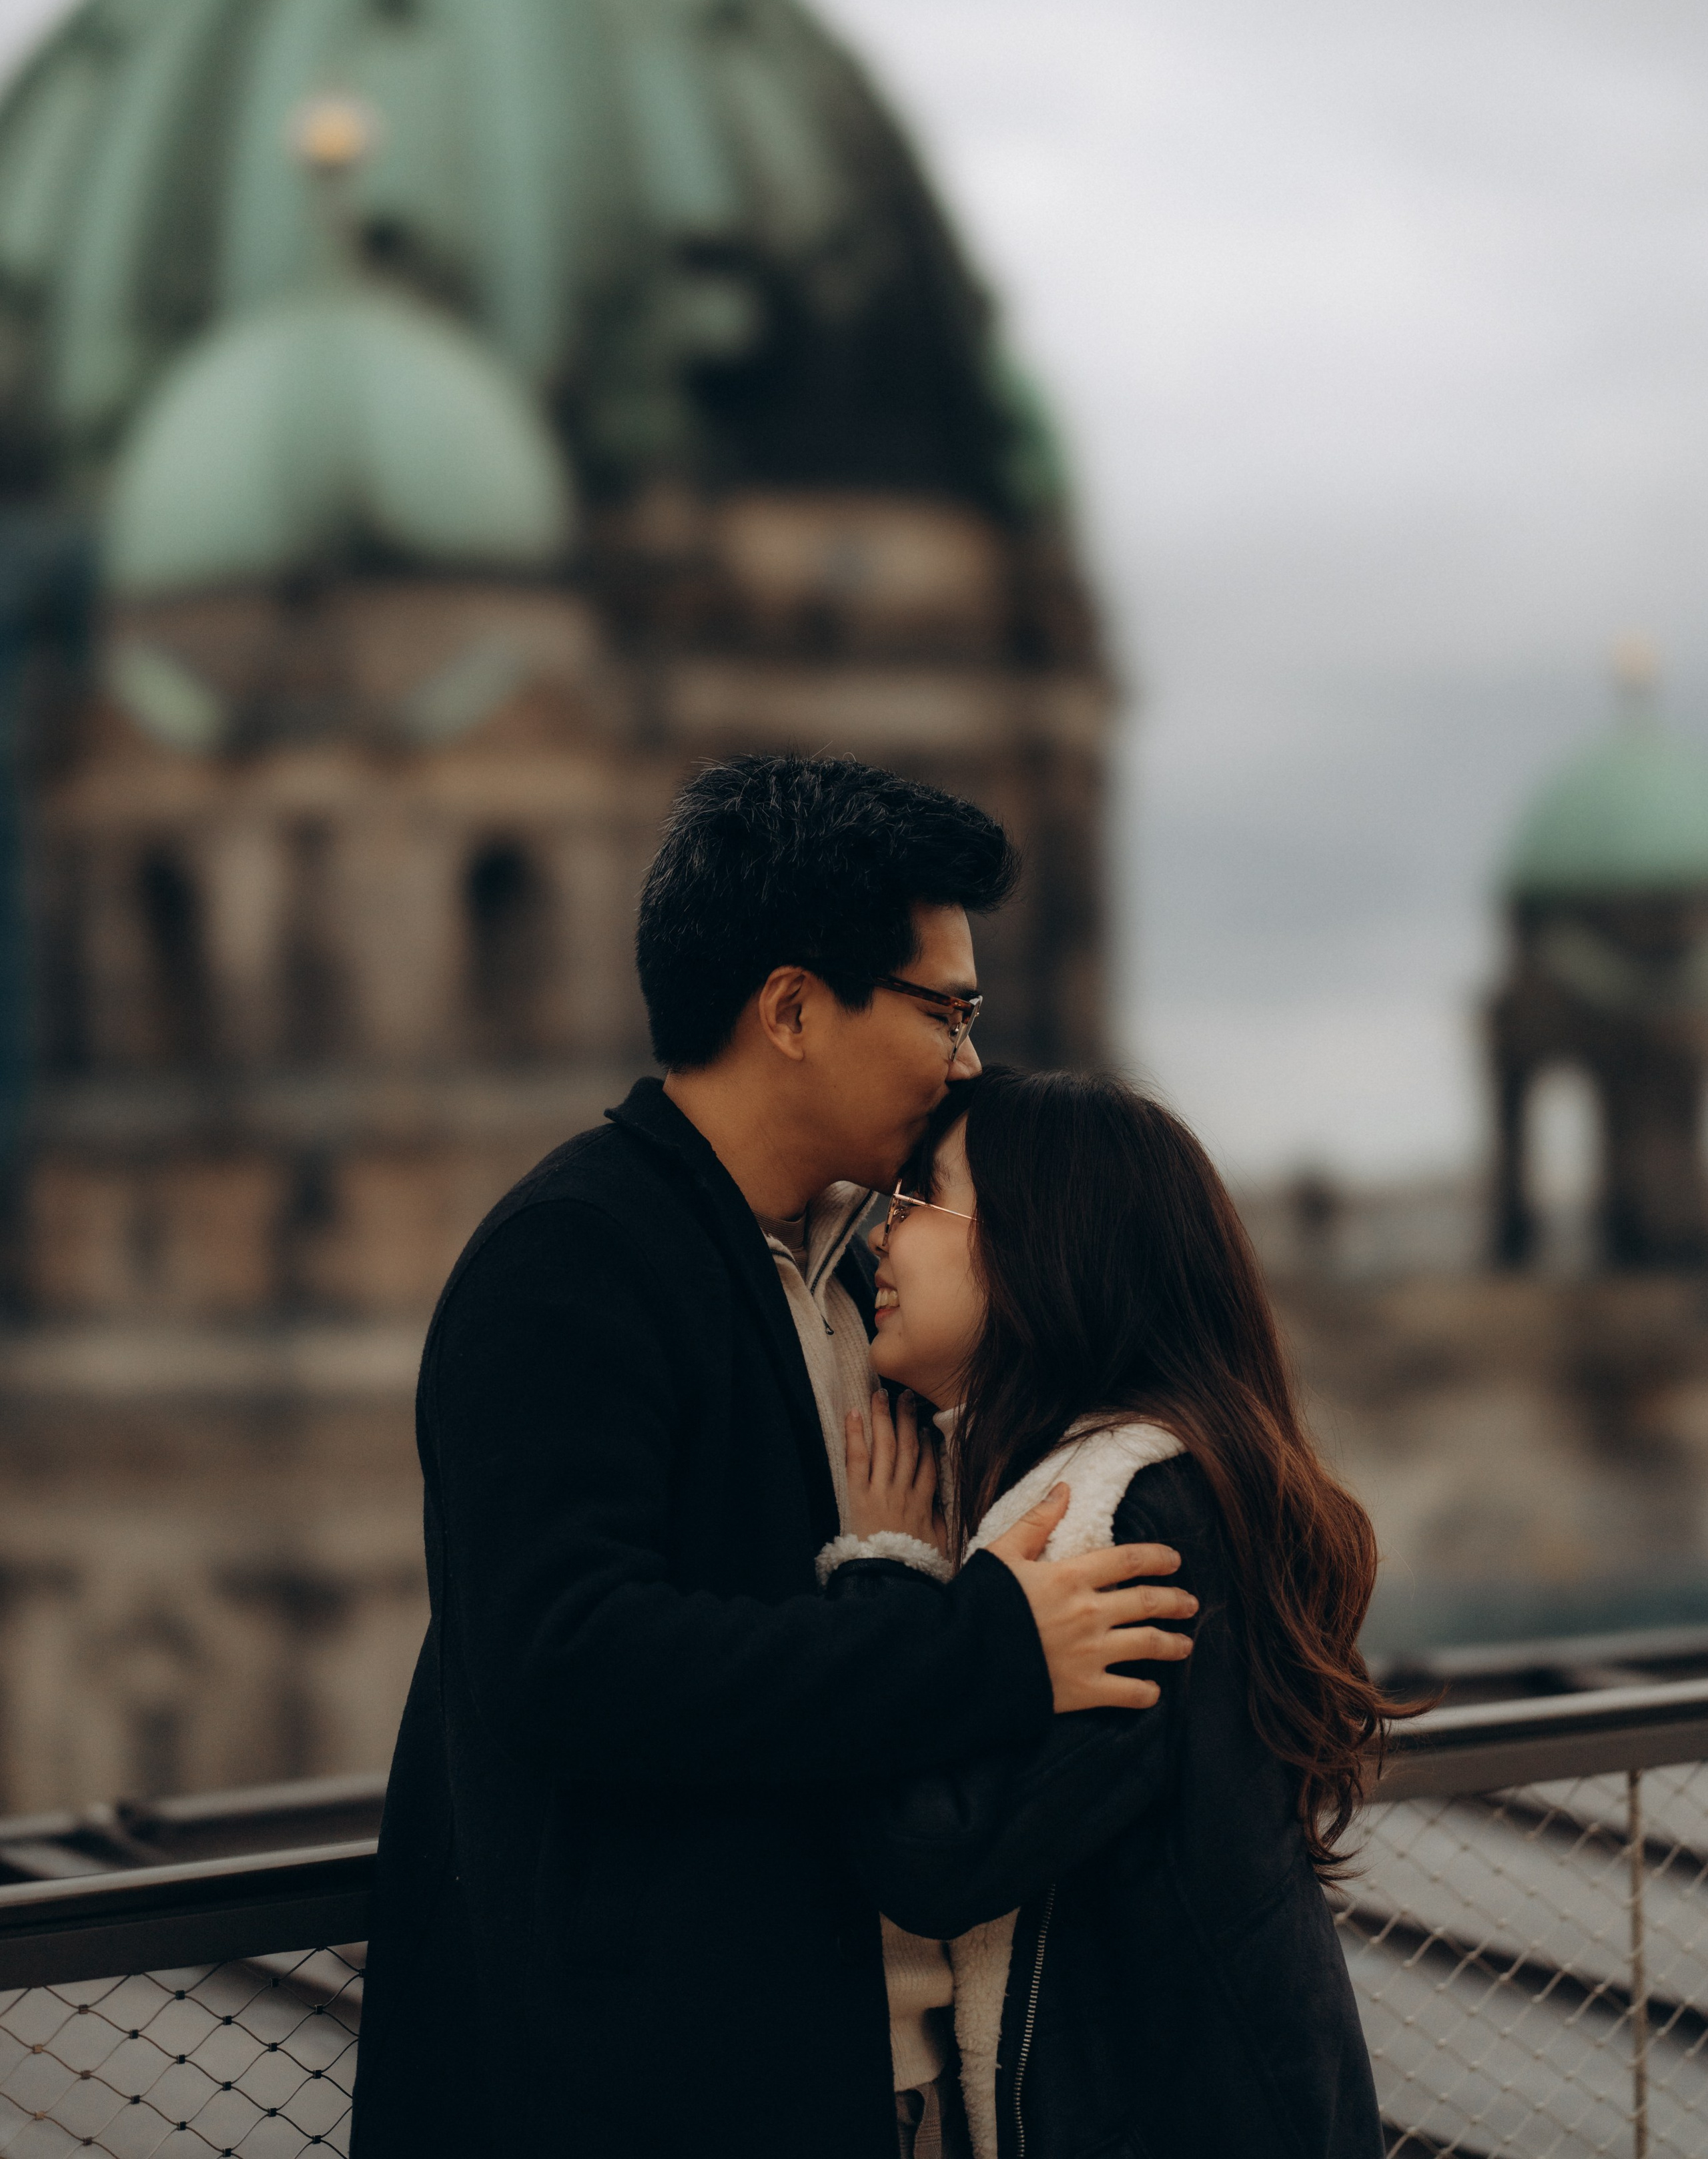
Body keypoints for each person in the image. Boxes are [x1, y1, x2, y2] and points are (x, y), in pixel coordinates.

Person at [351, 757, 1198, 2159]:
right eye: (944, 1011)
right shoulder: (567, 1258)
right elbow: (570, 1661)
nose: (968, 1061)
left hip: (884, 2082)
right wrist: (986, 1649)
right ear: (794, 1009)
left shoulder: (869, 1273)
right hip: (665, 2103)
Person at [821, 1066, 1396, 2159]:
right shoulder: (1161, 1482)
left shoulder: (1119, 1516)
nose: (882, 1236)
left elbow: (938, 1857)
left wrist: (886, 1572)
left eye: (921, 1195)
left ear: (1043, 1242)